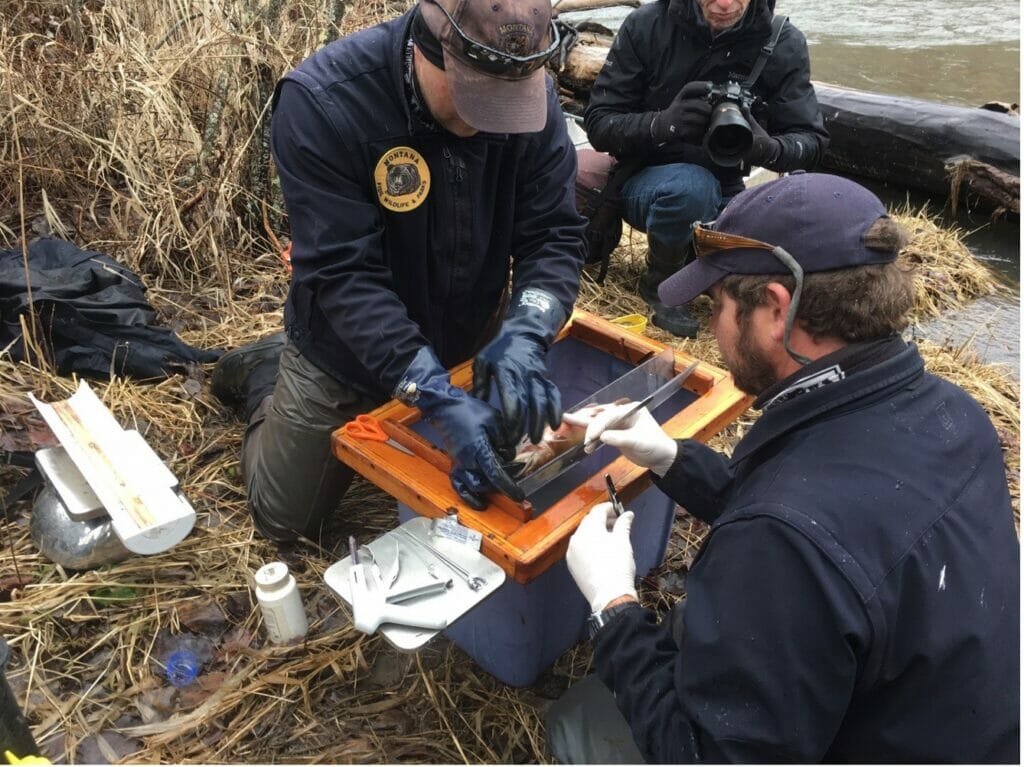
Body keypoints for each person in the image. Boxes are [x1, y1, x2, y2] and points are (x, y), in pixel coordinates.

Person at [546, 173, 1020, 763]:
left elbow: (709, 755)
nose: (712, 327)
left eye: (714, 305)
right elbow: (826, 522)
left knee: (577, 726)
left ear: (775, 307)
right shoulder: (952, 412)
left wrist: (613, 606)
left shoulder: (782, 541)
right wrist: (668, 454)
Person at [211, 0, 587, 542]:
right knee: (284, 522)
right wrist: (430, 390)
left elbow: (554, 232)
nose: (489, 120)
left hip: (467, 328)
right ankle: (268, 374)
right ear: (428, 48)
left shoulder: (529, 94)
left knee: (497, 473)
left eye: (508, 100)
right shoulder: (324, 101)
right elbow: (343, 272)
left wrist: (528, 330)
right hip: (345, 349)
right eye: (475, 95)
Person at [583, 0, 829, 338]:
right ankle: (661, 286)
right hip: (646, 177)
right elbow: (599, 123)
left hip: (729, 186)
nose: (725, 4)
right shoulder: (646, 26)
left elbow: (812, 142)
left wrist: (768, 148)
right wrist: (662, 124)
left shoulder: (782, 41)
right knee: (690, 187)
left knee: (787, 251)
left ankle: (698, 262)